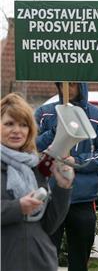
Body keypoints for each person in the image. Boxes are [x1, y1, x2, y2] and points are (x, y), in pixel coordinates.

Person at [35, 82, 98, 271]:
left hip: (82, 199)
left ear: (81, 86)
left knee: (79, 260)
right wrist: (54, 133)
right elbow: (31, 144)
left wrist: (78, 161)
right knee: (45, 258)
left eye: (72, 84)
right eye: (63, 84)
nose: (68, 88)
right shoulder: (45, 113)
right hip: (49, 199)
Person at [1, 93, 74, 271]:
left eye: (23, 125)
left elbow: (49, 225)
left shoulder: (34, 167)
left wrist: (63, 188)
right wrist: (18, 207)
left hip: (40, 261)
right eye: (9, 124)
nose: (17, 130)